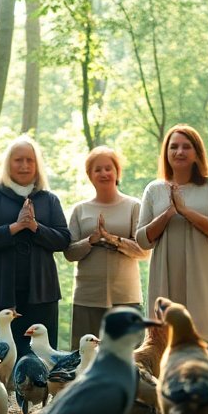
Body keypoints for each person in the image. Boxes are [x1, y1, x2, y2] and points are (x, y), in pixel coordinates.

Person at [0, 136, 71, 356]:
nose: (24, 165)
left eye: (29, 160)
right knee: (0, 355)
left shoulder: (49, 200)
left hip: (42, 291)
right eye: (18, 160)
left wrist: (35, 227)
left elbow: (64, 240)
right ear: (8, 164)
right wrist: (15, 227)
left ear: (37, 165)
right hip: (0, 291)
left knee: (40, 355)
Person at [137, 124, 208, 337]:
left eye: (186, 147)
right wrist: (168, 214)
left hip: (205, 275)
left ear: (196, 153)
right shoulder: (154, 189)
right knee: (165, 341)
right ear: (166, 153)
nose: (179, 152)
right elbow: (142, 240)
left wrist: (186, 211)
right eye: (174, 147)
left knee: (207, 338)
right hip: (166, 275)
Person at [64, 146, 147, 346]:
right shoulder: (80, 210)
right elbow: (69, 252)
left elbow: (144, 250)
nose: (104, 173)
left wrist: (112, 239)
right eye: (98, 169)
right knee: (85, 358)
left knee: (129, 360)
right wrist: (91, 240)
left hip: (126, 296)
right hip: (87, 296)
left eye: (108, 168)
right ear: (90, 175)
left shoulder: (134, 206)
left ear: (117, 172)